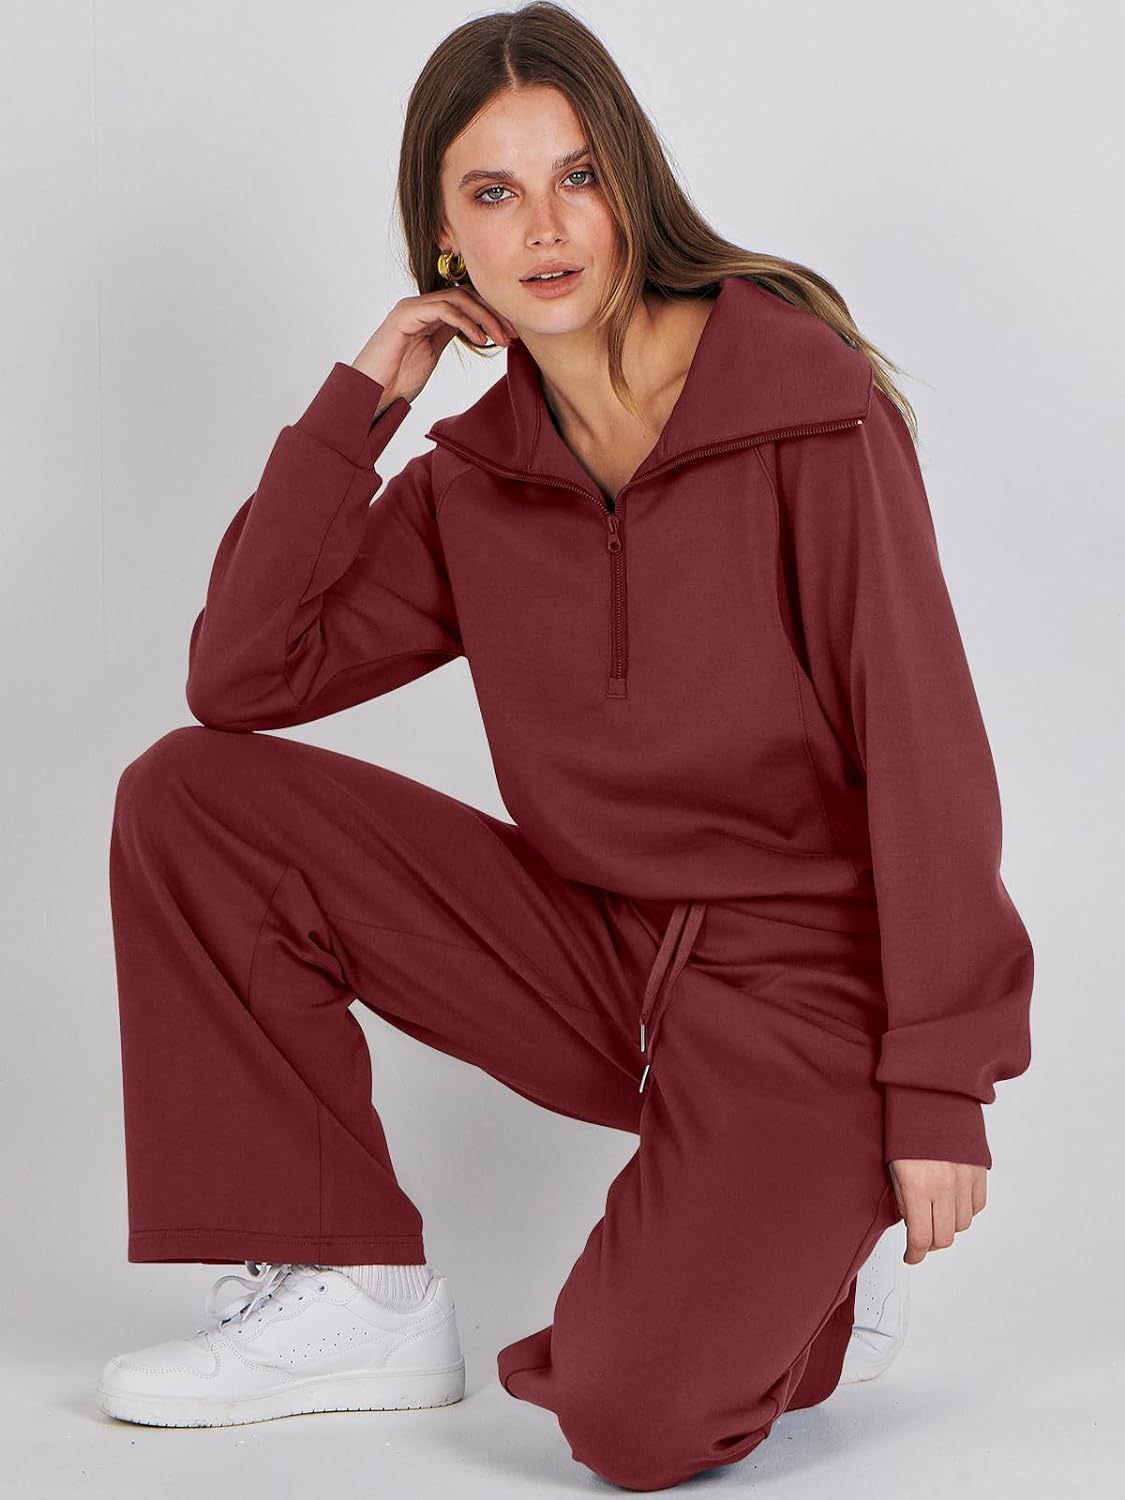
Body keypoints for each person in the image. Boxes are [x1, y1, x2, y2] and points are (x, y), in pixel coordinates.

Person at [96, 2, 1034, 1489]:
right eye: (493, 192)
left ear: (630, 186)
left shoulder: (802, 405)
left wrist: (938, 1082)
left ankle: (812, 1267)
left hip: (806, 998)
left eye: (577, 176)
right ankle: (353, 1290)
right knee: (192, 799)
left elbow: (925, 748)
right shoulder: (477, 481)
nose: (544, 227)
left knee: (633, 1424)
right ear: (444, 238)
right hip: (598, 957)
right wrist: (367, 400)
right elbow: (243, 678)